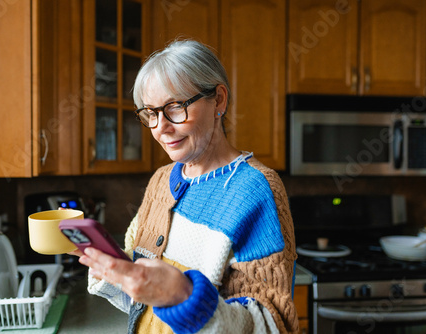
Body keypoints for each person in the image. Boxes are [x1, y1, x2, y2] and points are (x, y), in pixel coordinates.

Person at [77, 39, 299, 333]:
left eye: (175, 108)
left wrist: (184, 297)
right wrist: (109, 265)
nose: (160, 127)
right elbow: (142, 301)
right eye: (151, 113)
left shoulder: (254, 189)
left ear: (219, 100)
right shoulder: (161, 181)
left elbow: (273, 325)